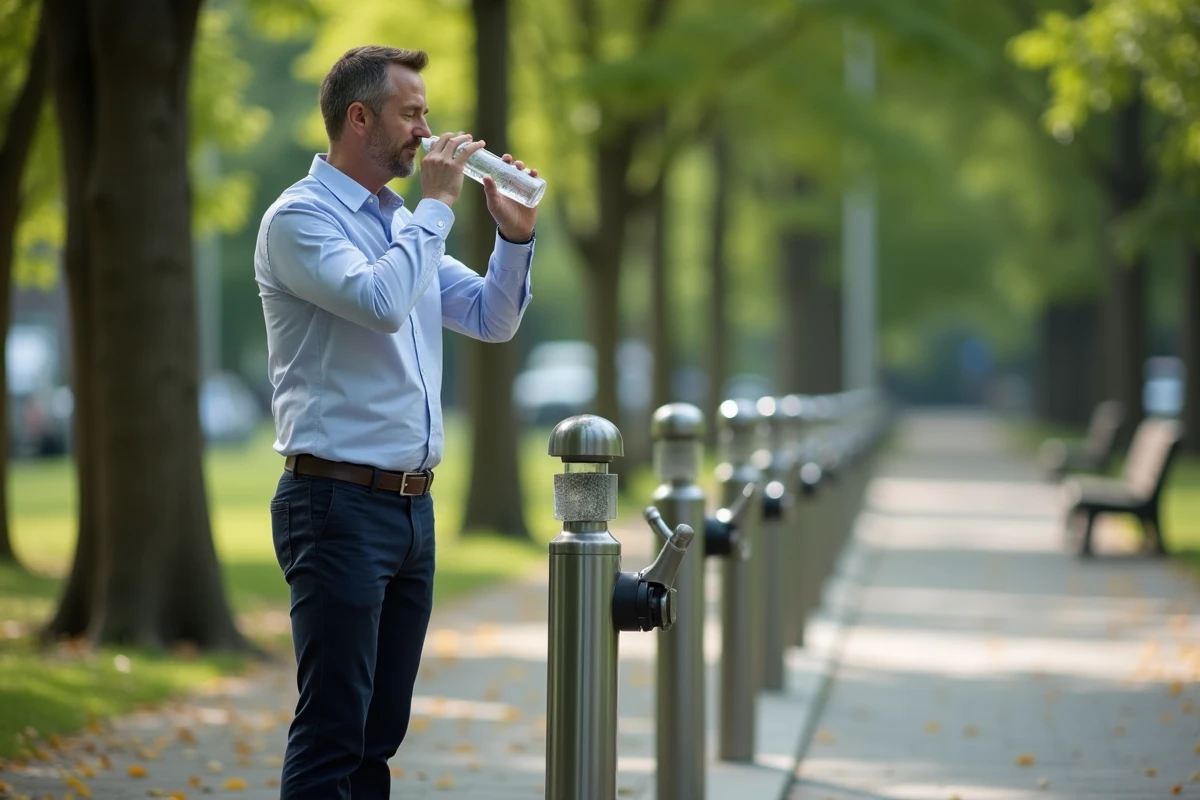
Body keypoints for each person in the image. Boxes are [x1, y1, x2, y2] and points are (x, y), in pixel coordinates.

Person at [253, 44, 538, 799]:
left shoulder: (398, 224)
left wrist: (513, 236)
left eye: (425, 114)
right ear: (359, 118)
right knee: (332, 733)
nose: (426, 130)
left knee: (378, 738)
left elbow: (492, 317)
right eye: (411, 113)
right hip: (336, 504)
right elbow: (380, 305)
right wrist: (440, 208)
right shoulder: (300, 221)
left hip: (411, 510)